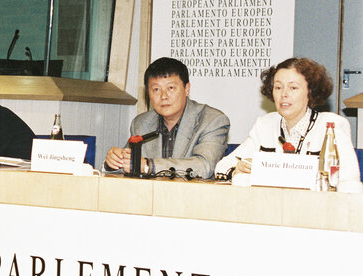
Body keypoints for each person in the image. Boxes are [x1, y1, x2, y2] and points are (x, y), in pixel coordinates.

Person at [215, 57, 361, 191]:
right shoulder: (265, 125)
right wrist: (236, 168)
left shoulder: (331, 125)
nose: (284, 94)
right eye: (278, 87)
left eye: (293, 88)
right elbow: (222, 166)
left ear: (310, 92)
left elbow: (351, 183)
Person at [104, 57, 229, 178]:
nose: (164, 96)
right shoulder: (141, 123)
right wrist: (114, 162)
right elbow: (131, 164)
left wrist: (149, 166)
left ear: (186, 89)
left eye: (170, 88)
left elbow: (205, 166)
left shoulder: (212, 121)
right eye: (156, 89)